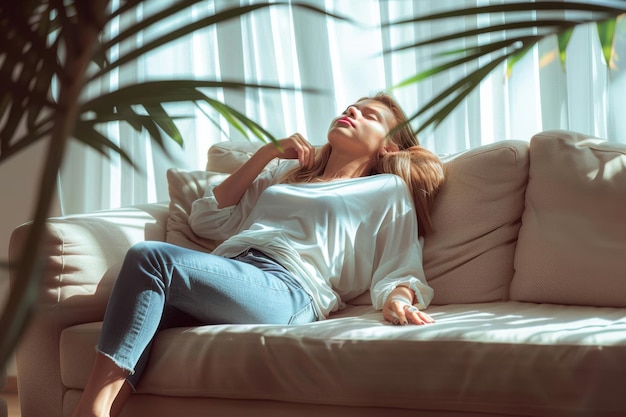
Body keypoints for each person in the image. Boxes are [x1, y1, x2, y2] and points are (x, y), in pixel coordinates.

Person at [70, 92, 445, 417]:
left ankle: (89, 410)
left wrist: (399, 298)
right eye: (352, 106)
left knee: (150, 259)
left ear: (389, 146)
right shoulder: (289, 173)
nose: (352, 111)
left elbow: (401, 262)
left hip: (290, 289)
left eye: (370, 115)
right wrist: (267, 154)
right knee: (143, 314)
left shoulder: (385, 188)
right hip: (233, 272)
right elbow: (206, 218)